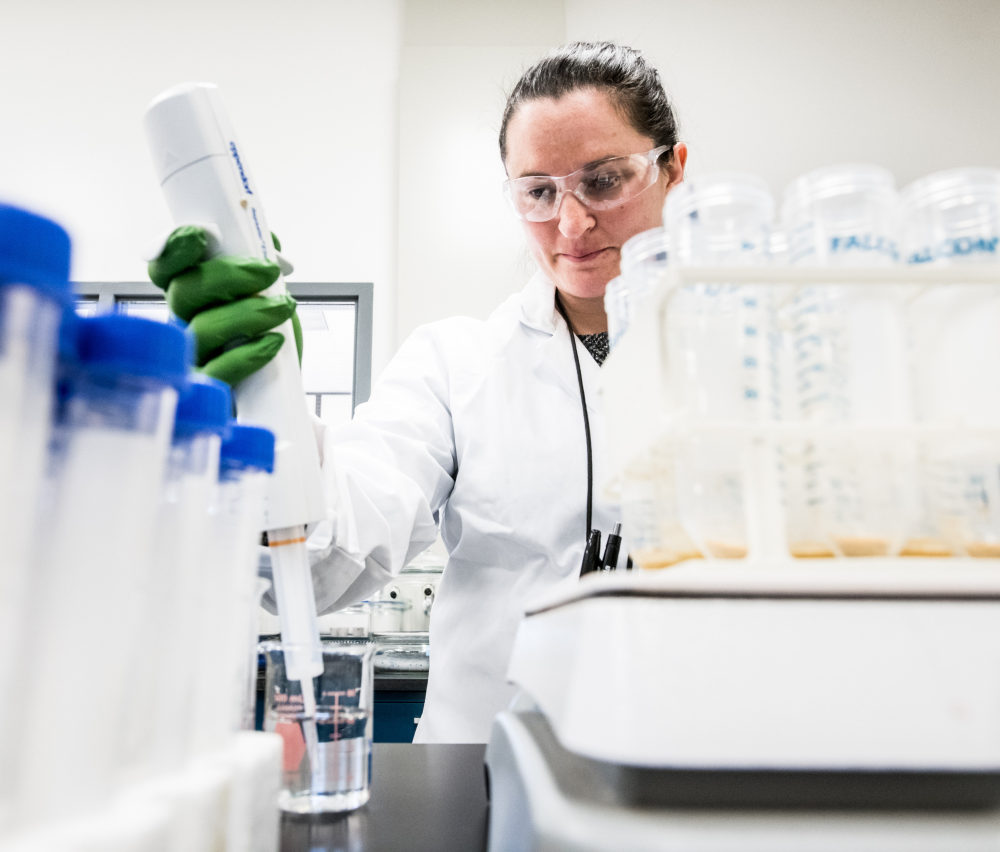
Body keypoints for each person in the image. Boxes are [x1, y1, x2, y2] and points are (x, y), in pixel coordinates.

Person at [148, 41, 689, 743]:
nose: (572, 224)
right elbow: (321, 563)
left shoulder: (756, 352)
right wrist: (260, 417)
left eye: (606, 179)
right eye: (539, 191)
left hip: (693, 767)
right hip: (484, 779)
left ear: (673, 170)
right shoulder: (455, 364)